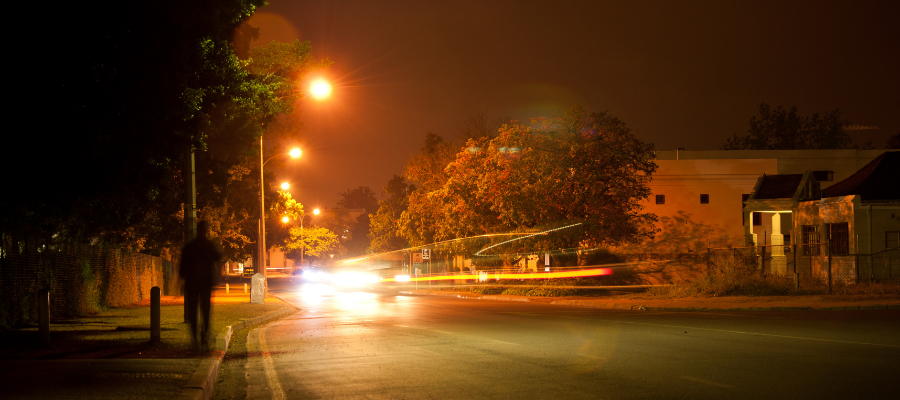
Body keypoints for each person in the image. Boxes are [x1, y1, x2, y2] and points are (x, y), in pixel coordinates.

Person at [179, 220, 222, 350]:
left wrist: (185, 278)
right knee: (205, 311)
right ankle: (204, 337)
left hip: (192, 283)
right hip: (205, 283)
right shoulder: (209, 246)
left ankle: (195, 339)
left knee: (193, 312)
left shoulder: (189, 247)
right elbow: (218, 258)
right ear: (205, 231)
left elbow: (182, 268)